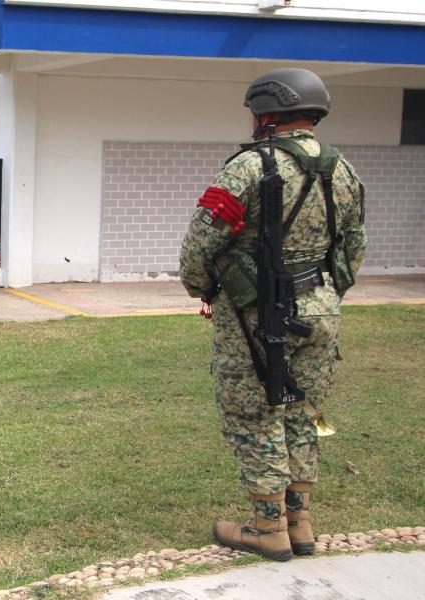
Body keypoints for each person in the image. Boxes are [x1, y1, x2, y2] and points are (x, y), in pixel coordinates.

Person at [179, 68, 367, 561]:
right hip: (320, 309)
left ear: (266, 113)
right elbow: (354, 247)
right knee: (303, 413)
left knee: (255, 412)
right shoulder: (342, 169)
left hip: (258, 311)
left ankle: (268, 528)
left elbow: (202, 241)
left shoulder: (248, 167)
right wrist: (324, 294)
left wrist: (202, 287)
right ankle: (300, 522)